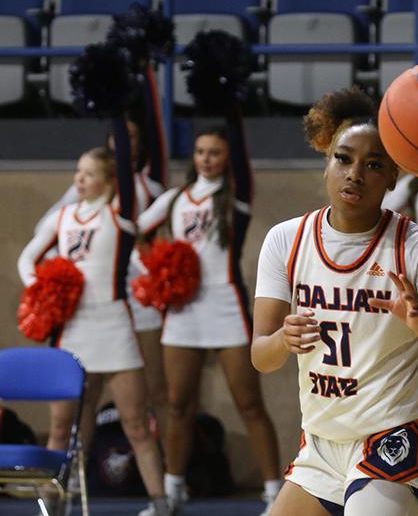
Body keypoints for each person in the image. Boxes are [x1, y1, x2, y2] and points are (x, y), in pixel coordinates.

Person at [251, 89, 418, 516]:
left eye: (373, 165)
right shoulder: (285, 240)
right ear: (326, 160)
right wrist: (282, 338)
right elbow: (261, 356)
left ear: (392, 177)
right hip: (320, 443)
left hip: (391, 437)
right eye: (343, 158)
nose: (354, 174)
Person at [18, 126, 169, 516]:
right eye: (77, 172)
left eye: (88, 174)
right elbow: (27, 259)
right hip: (73, 330)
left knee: (136, 423)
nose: (79, 180)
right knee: (64, 428)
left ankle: (162, 502)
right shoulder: (63, 217)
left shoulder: (120, 216)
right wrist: (44, 287)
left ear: (108, 180)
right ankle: (54, 502)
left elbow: (124, 171)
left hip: (115, 329)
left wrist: (117, 113)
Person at [136, 118, 281, 515]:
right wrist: (154, 269)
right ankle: (173, 493)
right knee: (178, 405)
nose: (206, 159)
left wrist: (232, 100)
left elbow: (241, 154)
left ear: (229, 156)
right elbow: (135, 230)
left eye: (215, 152)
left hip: (227, 307)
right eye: (200, 151)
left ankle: (274, 494)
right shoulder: (175, 197)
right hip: (184, 310)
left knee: (249, 404)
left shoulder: (237, 194)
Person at [35, 114, 170, 438]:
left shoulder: (147, 190)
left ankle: (166, 478)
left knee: (152, 396)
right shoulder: (75, 201)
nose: (81, 179)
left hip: (137, 304)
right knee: (80, 410)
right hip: (84, 311)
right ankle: (76, 483)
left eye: (134, 137)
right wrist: (51, 285)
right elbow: (44, 238)